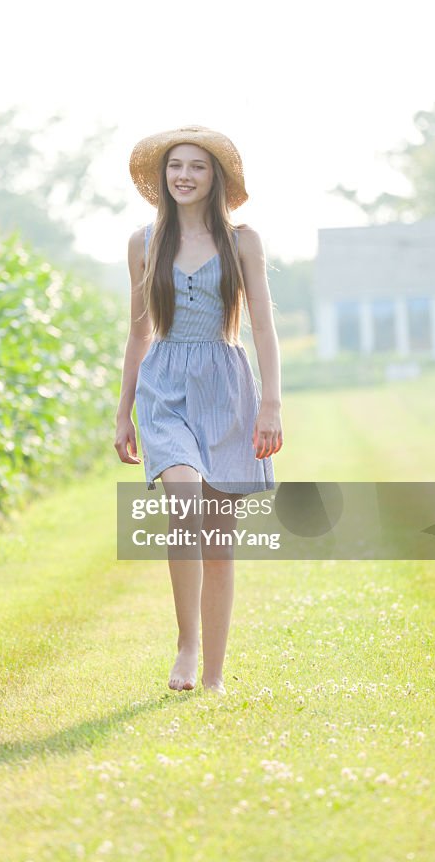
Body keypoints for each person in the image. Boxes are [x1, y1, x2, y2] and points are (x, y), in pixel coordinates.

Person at [114, 124, 283, 696]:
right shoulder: (144, 242)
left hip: (226, 385)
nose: (183, 175)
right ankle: (186, 643)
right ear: (162, 177)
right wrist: (123, 413)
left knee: (218, 540)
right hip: (164, 386)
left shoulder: (243, 242)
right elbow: (138, 334)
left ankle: (212, 675)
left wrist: (271, 405)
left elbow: (262, 325)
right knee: (182, 496)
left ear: (216, 178)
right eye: (175, 166)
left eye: (197, 166)